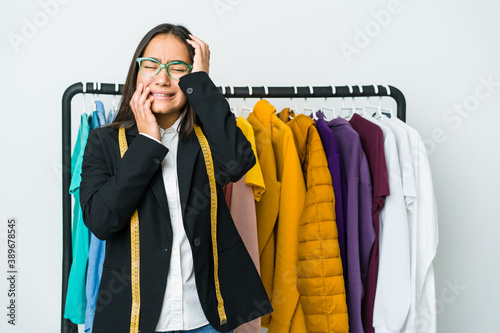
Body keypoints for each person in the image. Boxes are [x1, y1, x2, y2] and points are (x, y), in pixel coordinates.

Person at [79, 23, 272, 333]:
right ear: (137, 72)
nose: (163, 78)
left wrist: (202, 82)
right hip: (134, 321)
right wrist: (147, 144)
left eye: (178, 68)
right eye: (152, 65)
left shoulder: (208, 137)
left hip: (206, 319)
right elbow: (101, 221)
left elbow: (237, 164)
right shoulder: (104, 141)